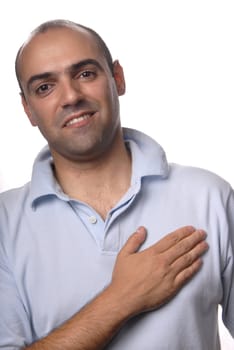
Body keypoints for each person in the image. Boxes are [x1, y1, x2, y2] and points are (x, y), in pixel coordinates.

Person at [0, 19, 233, 350]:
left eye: (85, 74)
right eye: (45, 87)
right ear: (28, 109)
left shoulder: (209, 197)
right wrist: (122, 299)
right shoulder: (4, 225)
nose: (70, 97)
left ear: (117, 78)